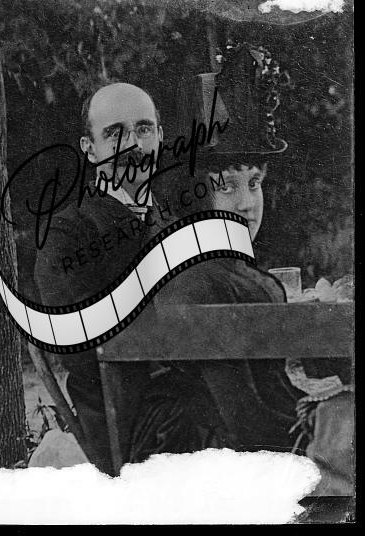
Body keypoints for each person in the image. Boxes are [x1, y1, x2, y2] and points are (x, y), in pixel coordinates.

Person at [128, 45, 353, 496]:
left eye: (254, 183)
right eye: (227, 187)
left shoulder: (222, 268)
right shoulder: (196, 280)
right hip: (206, 459)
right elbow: (245, 421)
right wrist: (320, 434)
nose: (248, 203)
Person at [34, 82, 175, 474]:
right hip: (124, 419)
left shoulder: (174, 221)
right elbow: (77, 347)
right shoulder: (67, 233)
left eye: (144, 129)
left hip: (181, 398)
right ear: (90, 148)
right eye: (115, 133)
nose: (134, 144)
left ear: (160, 138)